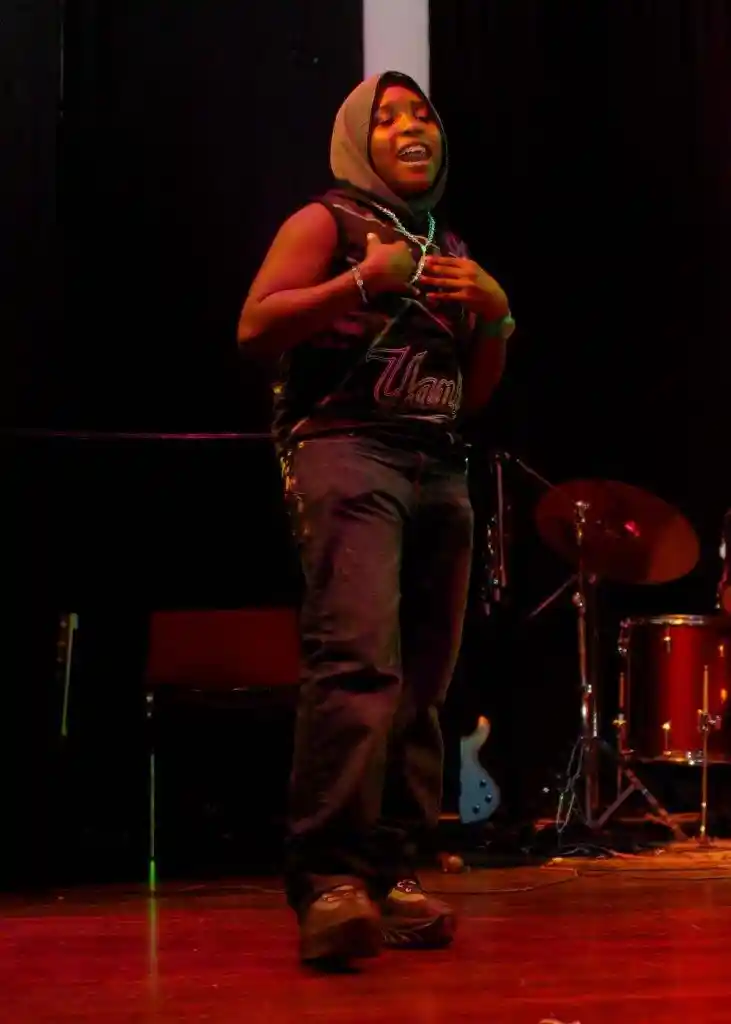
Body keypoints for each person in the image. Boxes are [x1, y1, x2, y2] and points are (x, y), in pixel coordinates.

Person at [238, 71, 515, 966]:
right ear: (356, 139)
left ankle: (393, 869)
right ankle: (329, 881)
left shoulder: (446, 243)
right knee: (358, 664)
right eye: (387, 118)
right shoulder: (325, 221)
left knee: (423, 683)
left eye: (420, 115)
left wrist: (495, 317)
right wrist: (362, 279)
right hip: (348, 450)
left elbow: (471, 395)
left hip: (437, 462)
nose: (409, 128)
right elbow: (255, 328)